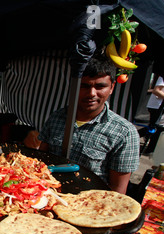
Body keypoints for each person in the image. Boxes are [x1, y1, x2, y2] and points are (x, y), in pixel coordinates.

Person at [38, 54, 140, 195]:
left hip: (88, 206)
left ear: (111, 87)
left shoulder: (124, 133)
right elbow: (41, 160)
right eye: (84, 86)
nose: (92, 93)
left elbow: (118, 191)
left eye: (100, 86)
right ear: (74, 86)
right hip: (45, 195)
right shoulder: (57, 117)